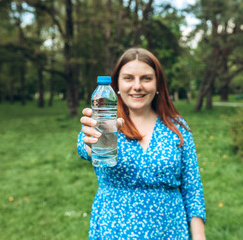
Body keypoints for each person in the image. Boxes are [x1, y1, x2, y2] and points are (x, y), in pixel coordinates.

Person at [77, 48, 206, 240]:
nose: (137, 86)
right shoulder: (104, 124)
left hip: (169, 231)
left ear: (158, 84)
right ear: (117, 85)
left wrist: (199, 237)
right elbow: (85, 148)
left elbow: (192, 188)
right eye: (128, 78)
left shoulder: (177, 127)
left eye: (146, 78)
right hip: (114, 231)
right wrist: (91, 143)